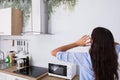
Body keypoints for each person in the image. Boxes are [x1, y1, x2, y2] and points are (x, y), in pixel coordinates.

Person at [51, 27, 120, 80]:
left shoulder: (83, 58)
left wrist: (76, 43)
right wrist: (105, 43)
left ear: (92, 41)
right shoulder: (114, 51)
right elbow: (117, 44)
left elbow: (54, 52)